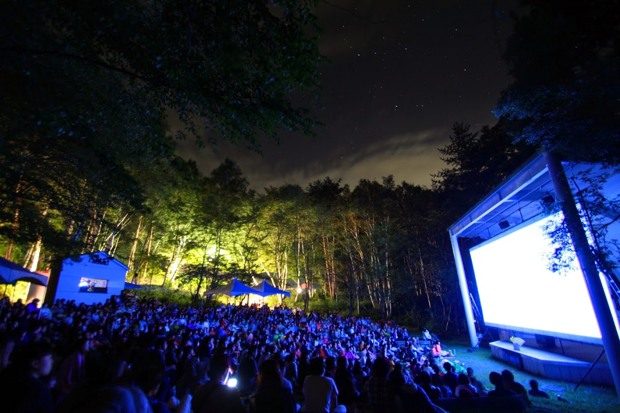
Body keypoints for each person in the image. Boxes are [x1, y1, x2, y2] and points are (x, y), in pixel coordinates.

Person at [0, 341, 55, 413]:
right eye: (50, 358)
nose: (52, 361)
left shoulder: (9, 372)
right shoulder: (40, 390)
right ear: (35, 363)